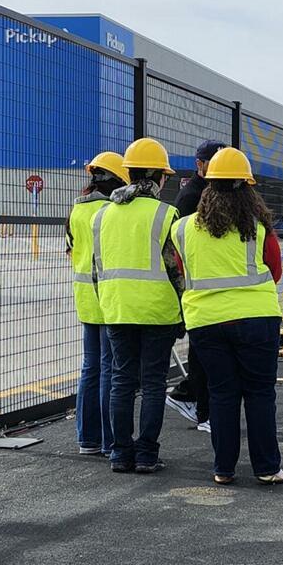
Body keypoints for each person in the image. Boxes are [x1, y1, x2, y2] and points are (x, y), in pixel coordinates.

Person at [172, 147, 283, 486]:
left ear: (207, 184)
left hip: (206, 321)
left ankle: (223, 469)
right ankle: (268, 467)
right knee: (259, 393)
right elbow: (275, 270)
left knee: (222, 393)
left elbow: (183, 269)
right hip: (256, 318)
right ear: (247, 186)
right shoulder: (258, 228)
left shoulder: (182, 229)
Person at [92, 137, 183, 474]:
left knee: (121, 381)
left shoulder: (103, 215)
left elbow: (96, 268)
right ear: (160, 177)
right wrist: (183, 310)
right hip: (158, 310)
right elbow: (176, 269)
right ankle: (146, 454)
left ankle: (119, 454)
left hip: (116, 308)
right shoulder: (166, 214)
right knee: (155, 383)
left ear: (129, 174)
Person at [66, 151, 129, 456]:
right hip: (107, 297)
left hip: (85, 298)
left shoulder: (76, 210)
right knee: (109, 368)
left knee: (90, 367)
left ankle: (86, 439)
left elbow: (71, 251)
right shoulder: (109, 212)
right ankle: (108, 441)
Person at [166, 138, 226, 432]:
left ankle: (192, 396)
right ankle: (201, 407)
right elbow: (183, 246)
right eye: (210, 163)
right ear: (199, 164)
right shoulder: (192, 197)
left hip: (212, 285)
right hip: (198, 285)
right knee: (203, 352)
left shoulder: (216, 192)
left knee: (206, 351)